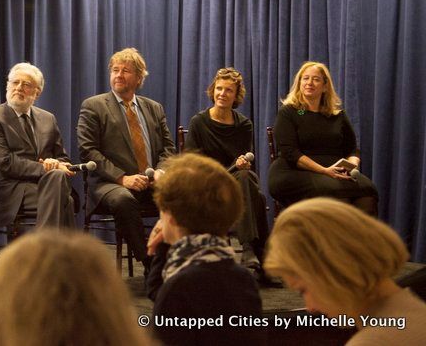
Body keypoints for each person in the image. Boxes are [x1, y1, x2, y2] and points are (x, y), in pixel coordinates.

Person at [264, 197, 426, 345]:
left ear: (335, 270)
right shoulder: (416, 312)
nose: (310, 307)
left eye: (303, 290)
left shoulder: (374, 340)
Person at [146, 153, 266, 345]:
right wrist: (163, 244)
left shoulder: (178, 287)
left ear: (171, 218)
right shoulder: (243, 279)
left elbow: (163, 300)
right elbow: (156, 290)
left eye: (162, 213)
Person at [0, 230, 152, 346]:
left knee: (58, 183)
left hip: (50, 184)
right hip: (19, 188)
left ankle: (45, 262)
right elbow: (8, 164)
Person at [77, 47, 175, 277]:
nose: (119, 75)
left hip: (151, 182)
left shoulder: (154, 108)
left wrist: (161, 171)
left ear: (139, 78)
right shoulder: (94, 106)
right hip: (110, 184)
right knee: (123, 199)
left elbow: (168, 149)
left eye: (126, 71)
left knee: (183, 194)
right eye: (115, 70)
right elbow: (88, 151)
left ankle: (177, 260)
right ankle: (150, 264)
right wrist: (123, 178)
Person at [185, 67, 273, 282]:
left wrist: (242, 165)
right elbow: (191, 163)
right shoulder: (199, 122)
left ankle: (251, 251)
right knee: (258, 198)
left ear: (236, 96)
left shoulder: (244, 124)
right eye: (219, 89)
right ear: (212, 90)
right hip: (208, 182)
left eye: (228, 90)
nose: (222, 94)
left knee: (245, 178)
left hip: (236, 180)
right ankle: (256, 254)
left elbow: (246, 164)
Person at [268, 61, 378, 213]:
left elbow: (352, 149)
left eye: (316, 79)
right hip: (294, 172)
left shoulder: (338, 115)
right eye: (305, 78)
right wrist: (324, 171)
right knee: (339, 197)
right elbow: (290, 152)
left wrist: (352, 165)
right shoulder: (289, 112)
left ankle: (361, 237)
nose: (309, 83)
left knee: (368, 191)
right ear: (299, 83)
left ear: (325, 86)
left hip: (334, 173)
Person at [0, 62, 77, 230]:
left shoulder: (48, 119)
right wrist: (46, 168)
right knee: (64, 196)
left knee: (57, 180)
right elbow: (6, 163)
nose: (18, 88)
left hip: (48, 185)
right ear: (7, 86)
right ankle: (61, 253)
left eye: (26, 84)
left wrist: (57, 163)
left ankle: (43, 251)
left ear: (37, 93)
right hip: (14, 190)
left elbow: (62, 158)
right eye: (15, 82)